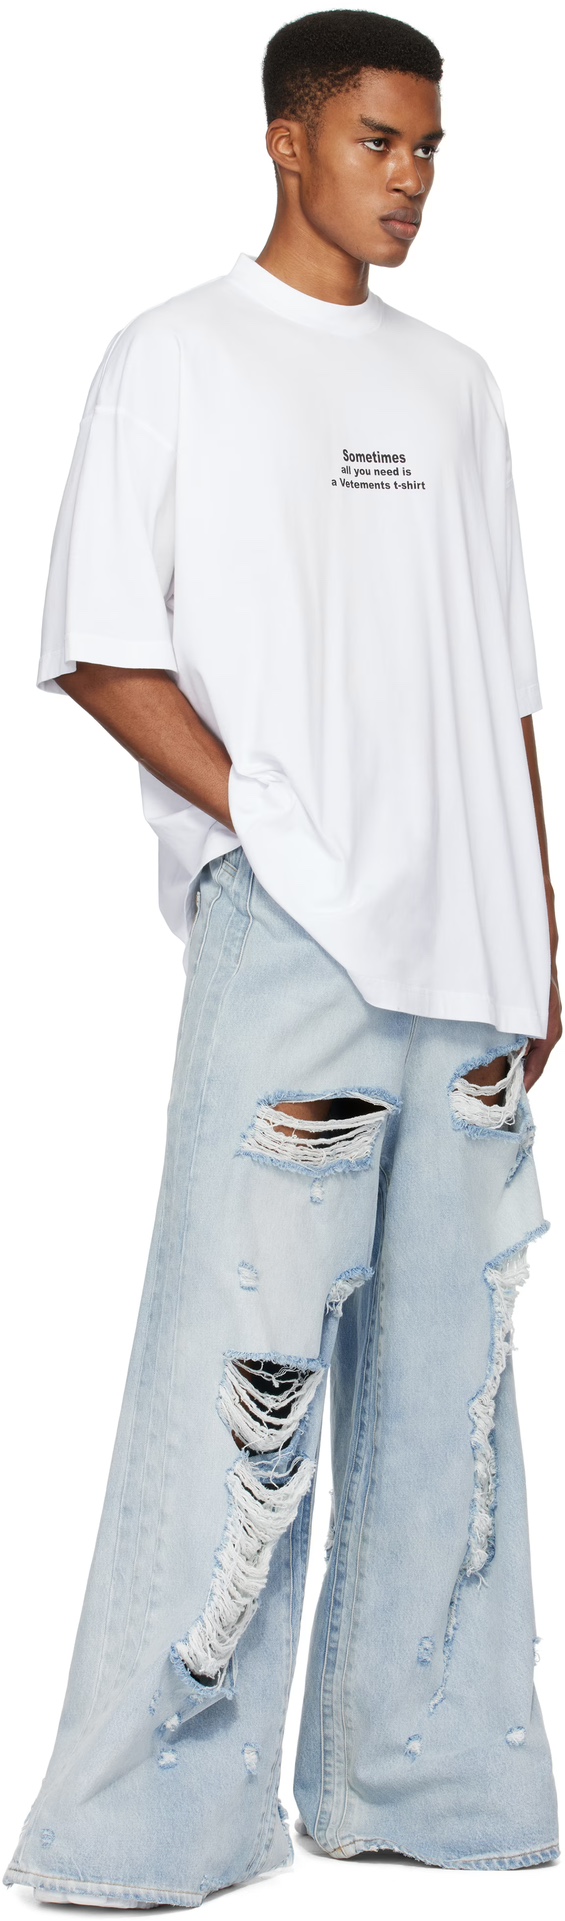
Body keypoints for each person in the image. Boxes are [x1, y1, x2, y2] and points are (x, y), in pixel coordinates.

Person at [4, 8, 561, 1901]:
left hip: (469, 941)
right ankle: (148, 1824)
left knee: (451, 1377)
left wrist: (538, 913)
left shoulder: (460, 383)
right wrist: (268, 820)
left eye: (430, 150)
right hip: (297, 929)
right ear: (286, 141)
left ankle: (421, 1780)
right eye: (378, 142)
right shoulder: (174, 355)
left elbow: (501, 680)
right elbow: (98, 639)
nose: (410, 180)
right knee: (236, 1364)